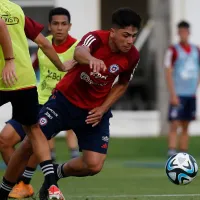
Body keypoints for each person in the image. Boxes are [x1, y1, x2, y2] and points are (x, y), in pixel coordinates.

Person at [2, 7, 141, 200]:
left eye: (133, 36)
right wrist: (92, 59)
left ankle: (55, 174)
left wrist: (103, 108)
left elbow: (123, 84)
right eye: (126, 35)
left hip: (94, 111)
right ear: (113, 32)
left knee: (94, 165)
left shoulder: (132, 55)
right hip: (64, 102)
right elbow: (79, 52)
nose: (130, 41)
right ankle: (6, 189)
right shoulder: (96, 38)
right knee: (28, 145)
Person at [0, 7, 79, 199]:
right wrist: (60, 65)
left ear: (69, 26)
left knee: (36, 135)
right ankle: (24, 183)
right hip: (29, 87)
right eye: (56, 24)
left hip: (53, 101)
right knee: (8, 139)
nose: (59, 28)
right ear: (50, 26)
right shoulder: (15, 10)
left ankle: (27, 183)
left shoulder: (78, 48)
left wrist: (9, 60)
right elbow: (41, 46)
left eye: (63, 24)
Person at [164, 21, 200, 158]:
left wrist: (196, 87)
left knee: (186, 124)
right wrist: (172, 93)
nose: (184, 34)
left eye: (186, 31)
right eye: (181, 32)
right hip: (178, 94)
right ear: (178, 33)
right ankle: (172, 151)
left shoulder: (196, 50)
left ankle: (184, 152)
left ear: (189, 32)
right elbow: (168, 71)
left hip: (190, 94)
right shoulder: (173, 50)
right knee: (175, 123)